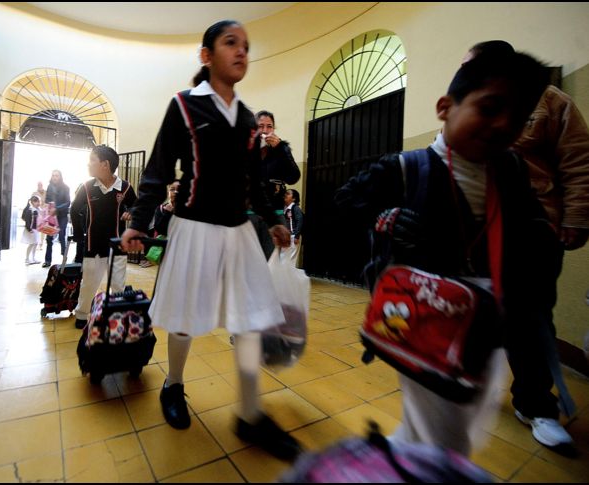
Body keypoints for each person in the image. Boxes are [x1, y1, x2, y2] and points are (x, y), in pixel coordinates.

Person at [334, 48, 553, 456]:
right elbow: (345, 202)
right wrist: (386, 218)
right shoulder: (405, 166)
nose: (503, 125)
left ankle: (401, 456)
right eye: (489, 108)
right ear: (445, 108)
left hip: (490, 315)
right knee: (443, 425)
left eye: (518, 118)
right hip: (426, 314)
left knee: (464, 410)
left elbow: (532, 226)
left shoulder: (511, 170)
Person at [120, 20, 301, 461]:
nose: (242, 52)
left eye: (246, 46)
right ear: (206, 55)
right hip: (195, 227)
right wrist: (138, 222)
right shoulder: (184, 106)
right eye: (230, 43)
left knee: (252, 320)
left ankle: (250, 414)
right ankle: (173, 385)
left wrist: (275, 217)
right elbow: (159, 168)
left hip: (239, 231)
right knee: (185, 315)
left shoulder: (245, 117)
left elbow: (256, 180)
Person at [465, 40, 589, 454]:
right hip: (477, 228)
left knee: (531, 319)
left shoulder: (550, 101)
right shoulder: (468, 103)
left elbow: (577, 159)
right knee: (471, 305)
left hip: (534, 226)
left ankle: (536, 406)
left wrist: (575, 218)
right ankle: (467, 383)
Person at [70, 145, 136, 329]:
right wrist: (78, 235)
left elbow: (136, 207)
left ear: (105, 164)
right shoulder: (87, 187)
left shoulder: (125, 187)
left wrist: (130, 211)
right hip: (93, 244)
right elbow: (74, 210)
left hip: (118, 245)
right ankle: (82, 314)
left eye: (92, 160)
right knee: (89, 282)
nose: (88, 164)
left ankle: (117, 315)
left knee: (117, 284)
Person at [249, 110, 301, 260]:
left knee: (271, 259)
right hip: (249, 214)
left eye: (269, 126)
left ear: (274, 129)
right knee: (248, 261)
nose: (265, 131)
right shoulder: (245, 149)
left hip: (275, 213)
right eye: (260, 126)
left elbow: (293, 177)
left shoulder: (282, 150)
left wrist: (281, 150)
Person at [43, 170, 71, 268]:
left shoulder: (66, 188)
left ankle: (64, 257)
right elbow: (46, 199)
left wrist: (57, 208)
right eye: (53, 175)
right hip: (51, 216)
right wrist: (48, 206)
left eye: (57, 175)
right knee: (49, 238)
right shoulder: (49, 187)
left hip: (62, 215)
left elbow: (68, 202)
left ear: (60, 177)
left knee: (62, 235)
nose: (55, 177)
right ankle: (47, 260)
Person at [21, 195, 41, 264]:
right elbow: (27, 221)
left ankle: (33, 258)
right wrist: (29, 229)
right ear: (32, 202)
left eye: (39, 201)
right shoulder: (30, 209)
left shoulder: (38, 209)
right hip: (31, 229)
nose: (38, 203)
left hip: (36, 229)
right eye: (36, 202)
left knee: (35, 244)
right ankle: (27, 258)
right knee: (31, 244)